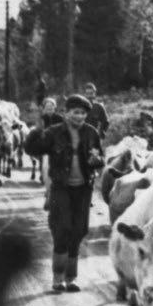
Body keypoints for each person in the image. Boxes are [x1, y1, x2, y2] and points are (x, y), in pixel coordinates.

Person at [23, 94, 105, 293]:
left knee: (78, 231)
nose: (79, 117)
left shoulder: (91, 132)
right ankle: (58, 277)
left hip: (84, 188)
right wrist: (36, 129)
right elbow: (31, 148)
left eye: (83, 113)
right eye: (75, 112)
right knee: (62, 229)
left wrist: (97, 160)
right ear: (66, 113)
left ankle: (71, 278)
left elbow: (100, 157)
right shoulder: (53, 133)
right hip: (61, 187)